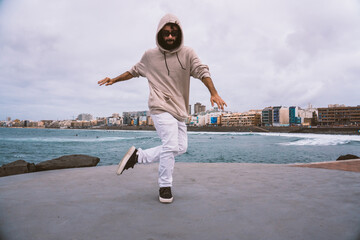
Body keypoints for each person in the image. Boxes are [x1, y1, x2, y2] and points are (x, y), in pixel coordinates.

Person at [98, 13, 227, 203]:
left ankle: (138, 156)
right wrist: (114, 79)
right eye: (166, 33)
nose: (170, 37)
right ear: (159, 33)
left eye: (174, 33)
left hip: (179, 110)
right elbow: (133, 72)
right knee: (171, 145)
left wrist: (214, 92)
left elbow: (202, 71)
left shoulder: (188, 53)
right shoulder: (150, 56)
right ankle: (164, 187)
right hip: (159, 106)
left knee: (181, 147)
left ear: (179, 34)